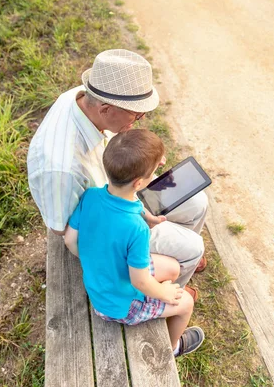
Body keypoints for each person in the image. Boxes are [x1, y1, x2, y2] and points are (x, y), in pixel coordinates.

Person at [27, 49, 208, 291]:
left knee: (197, 202)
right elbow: (62, 229)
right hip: (109, 222)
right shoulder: (60, 169)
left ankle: (175, 260)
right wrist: (138, 218)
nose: (140, 119)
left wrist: (146, 160)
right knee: (194, 246)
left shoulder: (85, 97)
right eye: (135, 113)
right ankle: (168, 284)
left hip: (122, 188)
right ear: (105, 109)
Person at [64, 129, 205, 357]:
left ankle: (164, 301)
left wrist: (98, 261)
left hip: (101, 283)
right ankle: (172, 347)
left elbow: (70, 240)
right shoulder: (136, 230)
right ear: (139, 183)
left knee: (173, 267)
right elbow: (139, 281)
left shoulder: (90, 196)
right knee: (186, 303)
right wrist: (163, 293)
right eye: (155, 172)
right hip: (118, 306)